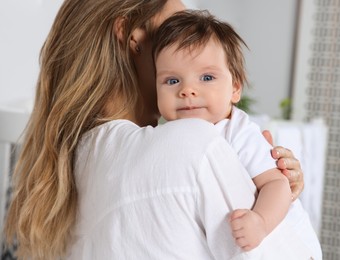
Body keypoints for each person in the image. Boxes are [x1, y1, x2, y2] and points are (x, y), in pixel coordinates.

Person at [3, 0, 305, 259]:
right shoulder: (192, 142)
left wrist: (262, 179)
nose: (190, 88)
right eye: (174, 31)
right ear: (134, 38)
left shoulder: (77, 160)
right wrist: (285, 198)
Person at [153, 9, 322, 259]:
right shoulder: (163, 136)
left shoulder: (237, 131)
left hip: (289, 241)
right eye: (172, 81)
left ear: (235, 88)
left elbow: (277, 184)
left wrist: (261, 222)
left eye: (207, 77)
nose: (187, 90)